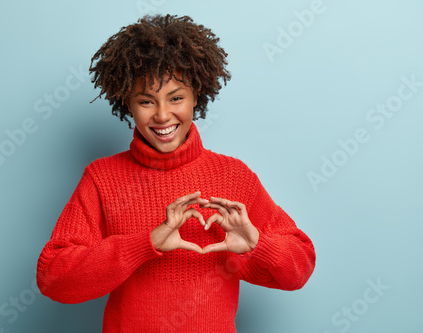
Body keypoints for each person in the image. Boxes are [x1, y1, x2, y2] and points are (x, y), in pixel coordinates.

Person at [36, 14, 315, 332]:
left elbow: (299, 269)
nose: (163, 115)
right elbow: (53, 278)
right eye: (145, 101)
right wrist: (143, 245)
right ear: (127, 103)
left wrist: (258, 244)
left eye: (176, 98)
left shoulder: (234, 176)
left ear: (197, 94)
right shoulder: (102, 178)